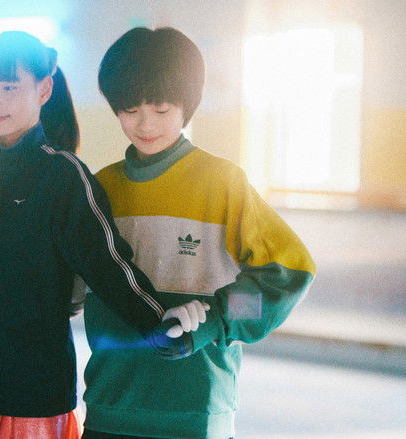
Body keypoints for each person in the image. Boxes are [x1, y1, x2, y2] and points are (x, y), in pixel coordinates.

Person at [0, 31, 202, 439]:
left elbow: (107, 264)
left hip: (31, 396)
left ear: (44, 89)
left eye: (9, 87)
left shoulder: (64, 177)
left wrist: (156, 319)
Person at [81, 27, 316, 439]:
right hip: (109, 408)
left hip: (195, 413)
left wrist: (215, 319)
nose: (145, 124)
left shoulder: (223, 184)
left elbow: (287, 277)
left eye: (161, 109)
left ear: (187, 106)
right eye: (130, 110)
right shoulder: (100, 189)